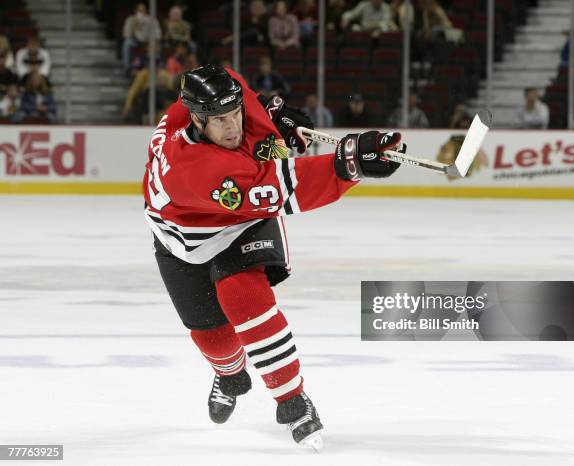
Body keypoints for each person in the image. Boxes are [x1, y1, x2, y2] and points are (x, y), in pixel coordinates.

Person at [142, 64, 403, 449]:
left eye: (236, 115)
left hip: (242, 224)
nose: (232, 127)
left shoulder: (218, 98)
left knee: (244, 299)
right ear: (198, 120)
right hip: (181, 240)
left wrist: (267, 112)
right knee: (214, 341)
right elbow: (285, 188)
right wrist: (351, 164)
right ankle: (230, 375)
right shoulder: (198, 169)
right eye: (219, 121)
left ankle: (293, 401)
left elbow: (236, 86)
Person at [122, 3, 162, 70]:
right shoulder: (130, 20)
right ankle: (128, 67)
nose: (141, 13)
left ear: (146, 11)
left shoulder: (152, 20)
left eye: (142, 10)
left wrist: (152, 39)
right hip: (135, 41)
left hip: (148, 41)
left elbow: (158, 35)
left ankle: (157, 66)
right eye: (139, 10)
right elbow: (126, 35)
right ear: (135, 11)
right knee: (127, 43)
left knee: (157, 44)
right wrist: (134, 26)